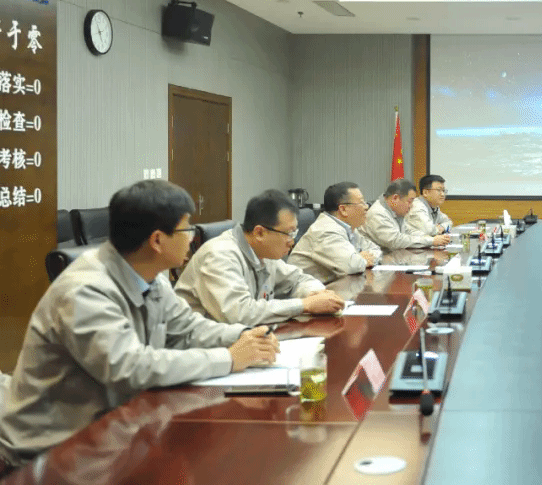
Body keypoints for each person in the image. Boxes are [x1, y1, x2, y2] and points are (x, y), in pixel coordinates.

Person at [0, 180, 279, 473]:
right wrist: (229, 358)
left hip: (115, 433)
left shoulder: (150, 275)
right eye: (186, 230)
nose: (193, 238)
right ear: (157, 241)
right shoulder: (84, 290)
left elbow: (187, 328)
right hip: (53, 450)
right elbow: (130, 368)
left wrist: (244, 336)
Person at [175, 190, 345, 325]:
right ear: (260, 233)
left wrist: (316, 294)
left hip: (244, 339)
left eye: (295, 233)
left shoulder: (264, 253)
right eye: (288, 233)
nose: (292, 242)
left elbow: (297, 279)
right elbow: (239, 314)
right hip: (199, 348)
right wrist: (305, 305)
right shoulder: (219, 255)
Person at [288, 182, 382, 283]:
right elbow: (351, 265)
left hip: (331, 285)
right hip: (306, 290)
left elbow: (375, 250)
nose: (366, 207)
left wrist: (361, 259)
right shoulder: (325, 231)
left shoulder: (349, 228)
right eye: (362, 203)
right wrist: (361, 259)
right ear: (343, 209)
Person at [363, 179, 453, 250]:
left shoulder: (396, 212)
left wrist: (433, 239)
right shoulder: (378, 213)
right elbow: (396, 240)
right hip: (376, 261)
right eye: (410, 201)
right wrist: (431, 241)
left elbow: (409, 232)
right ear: (395, 198)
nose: (412, 206)